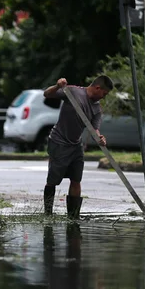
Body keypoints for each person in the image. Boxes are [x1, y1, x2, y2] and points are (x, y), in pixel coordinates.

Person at [42, 76, 113, 219]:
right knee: (53, 180)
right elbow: (47, 94)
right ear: (98, 88)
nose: (103, 97)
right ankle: (48, 214)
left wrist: (100, 138)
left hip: (76, 145)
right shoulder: (73, 92)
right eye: (104, 94)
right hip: (59, 141)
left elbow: (95, 130)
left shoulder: (97, 108)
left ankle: (73, 217)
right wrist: (57, 86)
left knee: (76, 179)